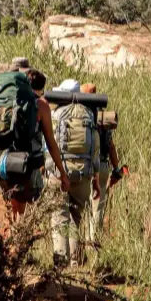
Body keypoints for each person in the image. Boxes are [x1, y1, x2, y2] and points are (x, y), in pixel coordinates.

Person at [0, 68, 70, 218]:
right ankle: (23, 238)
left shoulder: (6, 102)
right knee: (27, 213)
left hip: (3, 165)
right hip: (28, 167)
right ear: (42, 88)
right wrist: (63, 174)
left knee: (12, 210)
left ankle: (13, 237)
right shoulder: (41, 105)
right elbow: (51, 143)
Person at [46, 79, 101, 267]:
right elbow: (95, 149)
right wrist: (95, 180)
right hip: (83, 175)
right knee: (76, 219)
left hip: (59, 174)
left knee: (59, 218)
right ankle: (76, 263)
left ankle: (61, 263)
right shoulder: (88, 115)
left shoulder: (56, 113)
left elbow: (49, 144)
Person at [81, 83, 122, 240]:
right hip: (103, 165)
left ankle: (81, 241)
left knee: (82, 206)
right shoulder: (104, 118)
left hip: (83, 167)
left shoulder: (79, 116)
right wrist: (117, 169)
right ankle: (93, 241)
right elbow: (111, 147)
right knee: (97, 207)